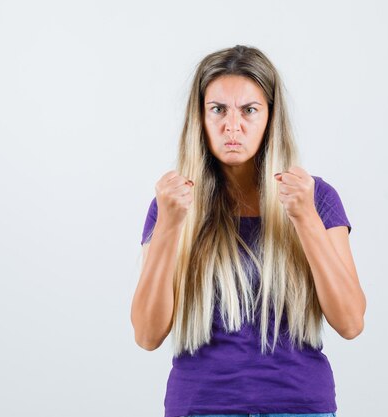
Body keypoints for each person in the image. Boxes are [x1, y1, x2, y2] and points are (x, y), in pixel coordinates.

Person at [130, 45, 366, 417]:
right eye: (218, 110)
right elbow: (147, 335)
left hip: (299, 405)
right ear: (201, 118)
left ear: (270, 117)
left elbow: (351, 322)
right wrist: (169, 227)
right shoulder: (173, 203)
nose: (232, 126)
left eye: (249, 111)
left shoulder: (316, 197)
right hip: (201, 407)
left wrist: (305, 218)